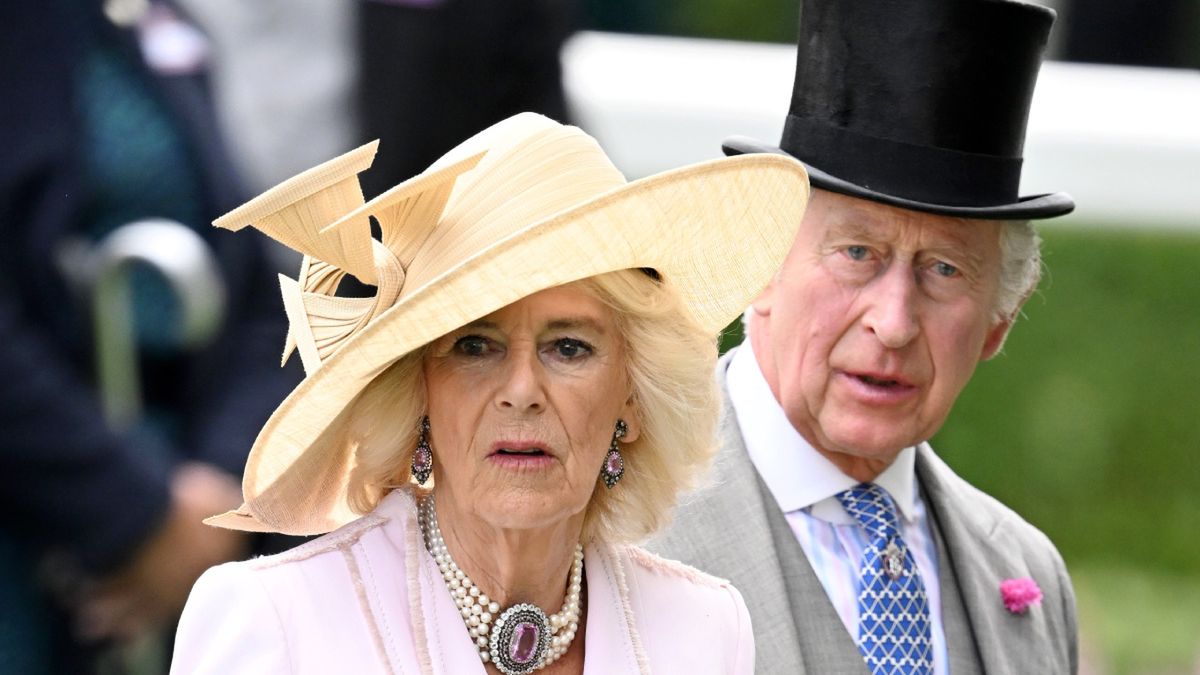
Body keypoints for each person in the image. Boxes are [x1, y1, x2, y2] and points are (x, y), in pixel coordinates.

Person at [169, 112, 810, 674]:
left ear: (633, 402)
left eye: (569, 347)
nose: (523, 392)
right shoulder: (277, 622)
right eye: (476, 347)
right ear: (419, 391)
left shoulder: (704, 630)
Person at [652, 1, 1080, 673]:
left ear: (1000, 318)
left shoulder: (1030, 574)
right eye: (857, 252)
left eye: (944, 269)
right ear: (757, 261)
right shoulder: (605, 529)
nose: (895, 320)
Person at [0, 1, 301, 671]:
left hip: (194, 498)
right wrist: (133, 511)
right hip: (43, 515)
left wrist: (219, 495)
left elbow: (259, 295)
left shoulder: (155, 21)